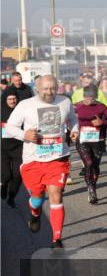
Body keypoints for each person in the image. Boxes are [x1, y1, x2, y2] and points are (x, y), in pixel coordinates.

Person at [4, 75, 79, 248]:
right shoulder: (25, 105)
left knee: (56, 194)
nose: (49, 92)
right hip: (33, 160)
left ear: (57, 87)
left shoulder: (65, 102)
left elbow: (73, 119)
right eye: (45, 88)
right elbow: (9, 126)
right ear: (37, 88)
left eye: (52, 88)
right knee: (37, 197)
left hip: (57, 157)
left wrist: (74, 130)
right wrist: (25, 135)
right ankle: (35, 213)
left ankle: (56, 239)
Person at [73, 85, 107, 204]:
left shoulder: (101, 106)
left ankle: (92, 187)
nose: (89, 101)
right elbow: (67, 118)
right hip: (82, 140)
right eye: (86, 98)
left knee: (95, 167)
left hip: (98, 140)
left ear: (95, 97)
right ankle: (91, 190)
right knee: (89, 163)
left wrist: (102, 122)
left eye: (91, 99)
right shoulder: (77, 106)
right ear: (83, 96)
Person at [2, 92, 24, 208]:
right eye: (9, 99)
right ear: (5, 100)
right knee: (6, 175)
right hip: (2, 148)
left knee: (18, 174)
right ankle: (3, 186)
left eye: (14, 98)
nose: (12, 101)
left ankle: (12, 197)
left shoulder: (22, 111)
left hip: (19, 147)